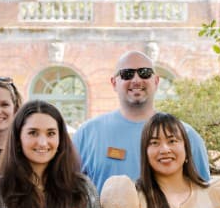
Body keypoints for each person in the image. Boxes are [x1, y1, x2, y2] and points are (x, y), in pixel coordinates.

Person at [75, 51, 211, 189]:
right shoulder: (87, 134)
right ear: (114, 83)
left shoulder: (185, 134)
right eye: (127, 74)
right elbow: (67, 192)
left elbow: (203, 193)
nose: (136, 80)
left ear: (156, 81)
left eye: (144, 73)